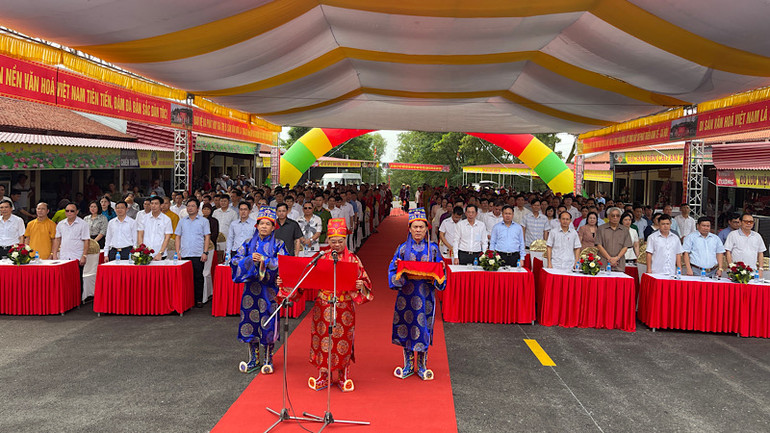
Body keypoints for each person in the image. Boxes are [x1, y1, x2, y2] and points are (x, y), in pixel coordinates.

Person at [283, 217, 374, 391]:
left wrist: (360, 285)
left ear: (345, 240)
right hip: (323, 306)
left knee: (343, 340)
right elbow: (305, 279)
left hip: (344, 306)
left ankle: (342, 374)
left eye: (340, 241)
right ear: (328, 241)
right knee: (323, 339)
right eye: (333, 241)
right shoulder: (321, 258)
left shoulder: (353, 259)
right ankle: (323, 375)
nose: (337, 245)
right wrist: (286, 283)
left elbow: (365, 282)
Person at [388, 208, 444, 381]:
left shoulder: (433, 250)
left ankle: (422, 365)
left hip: (426, 295)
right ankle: (407, 364)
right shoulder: (402, 249)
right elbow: (391, 270)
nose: (418, 230)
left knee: (423, 328)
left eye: (421, 227)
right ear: (409, 229)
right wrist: (398, 271)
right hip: (406, 295)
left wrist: (440, 271)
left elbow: (441, 276)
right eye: (415, 227)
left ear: (427, 229)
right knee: (407, 327)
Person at [231, 207, 287, 374]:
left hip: (268, 291)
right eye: (261, 223)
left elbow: (284, 263)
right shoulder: (248, 243)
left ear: (273, 227)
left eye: (268, 224)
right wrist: (249, 259)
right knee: (250, 322)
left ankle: (268, 359)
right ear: (256, 226)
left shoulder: (279, 244)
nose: (264, 227)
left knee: (268, 322)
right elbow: (235, 260)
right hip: (251, 291)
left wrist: (265, 260)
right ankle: (253, 359)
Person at [175, 198, 211, 307]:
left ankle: (198, 300)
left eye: (192, 206)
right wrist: (178, 253)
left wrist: (205, 252)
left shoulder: (204, 221)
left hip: (198, 253)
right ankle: (187, 300)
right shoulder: (182, 221)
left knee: (198, 277)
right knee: (185, 279)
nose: (190, 208)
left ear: (198, 208)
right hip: (184, 254)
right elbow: (178, 237)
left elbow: (207, 237)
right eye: (188, 206)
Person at [52, 203, 90, 296]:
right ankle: (66, 300)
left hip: (77, 256)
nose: (69, 213)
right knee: (64, 280)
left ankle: (77, 301)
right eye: (67, 211)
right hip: (64, 256)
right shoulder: (61, 224)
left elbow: (86, 241)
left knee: (77, 280)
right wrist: (54, 254)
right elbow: (57, 239)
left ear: (77, 212)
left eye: (72, 211)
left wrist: (84, 256)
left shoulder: (83, 224)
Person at [595, 207, 632, 272]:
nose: (615, 217)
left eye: (617, 216)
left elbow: (625, 247)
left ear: (620, 217)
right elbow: (599, 245)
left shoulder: (625, 230)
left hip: (619, 263)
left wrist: (616, 258)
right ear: (608, 216)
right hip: (603, 263)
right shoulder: (601, 228)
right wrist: (609, 259)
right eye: (613, 216)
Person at [137, 196, 173, 261]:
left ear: (161, 205)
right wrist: (141, 249)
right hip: (146, 254)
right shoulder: (144, 218)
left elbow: (167, 238)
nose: (153, 206)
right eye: (152, 203)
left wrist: (160, 253)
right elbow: (140, 234)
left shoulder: (166, 219)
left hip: (160, 254)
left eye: (156, 204)